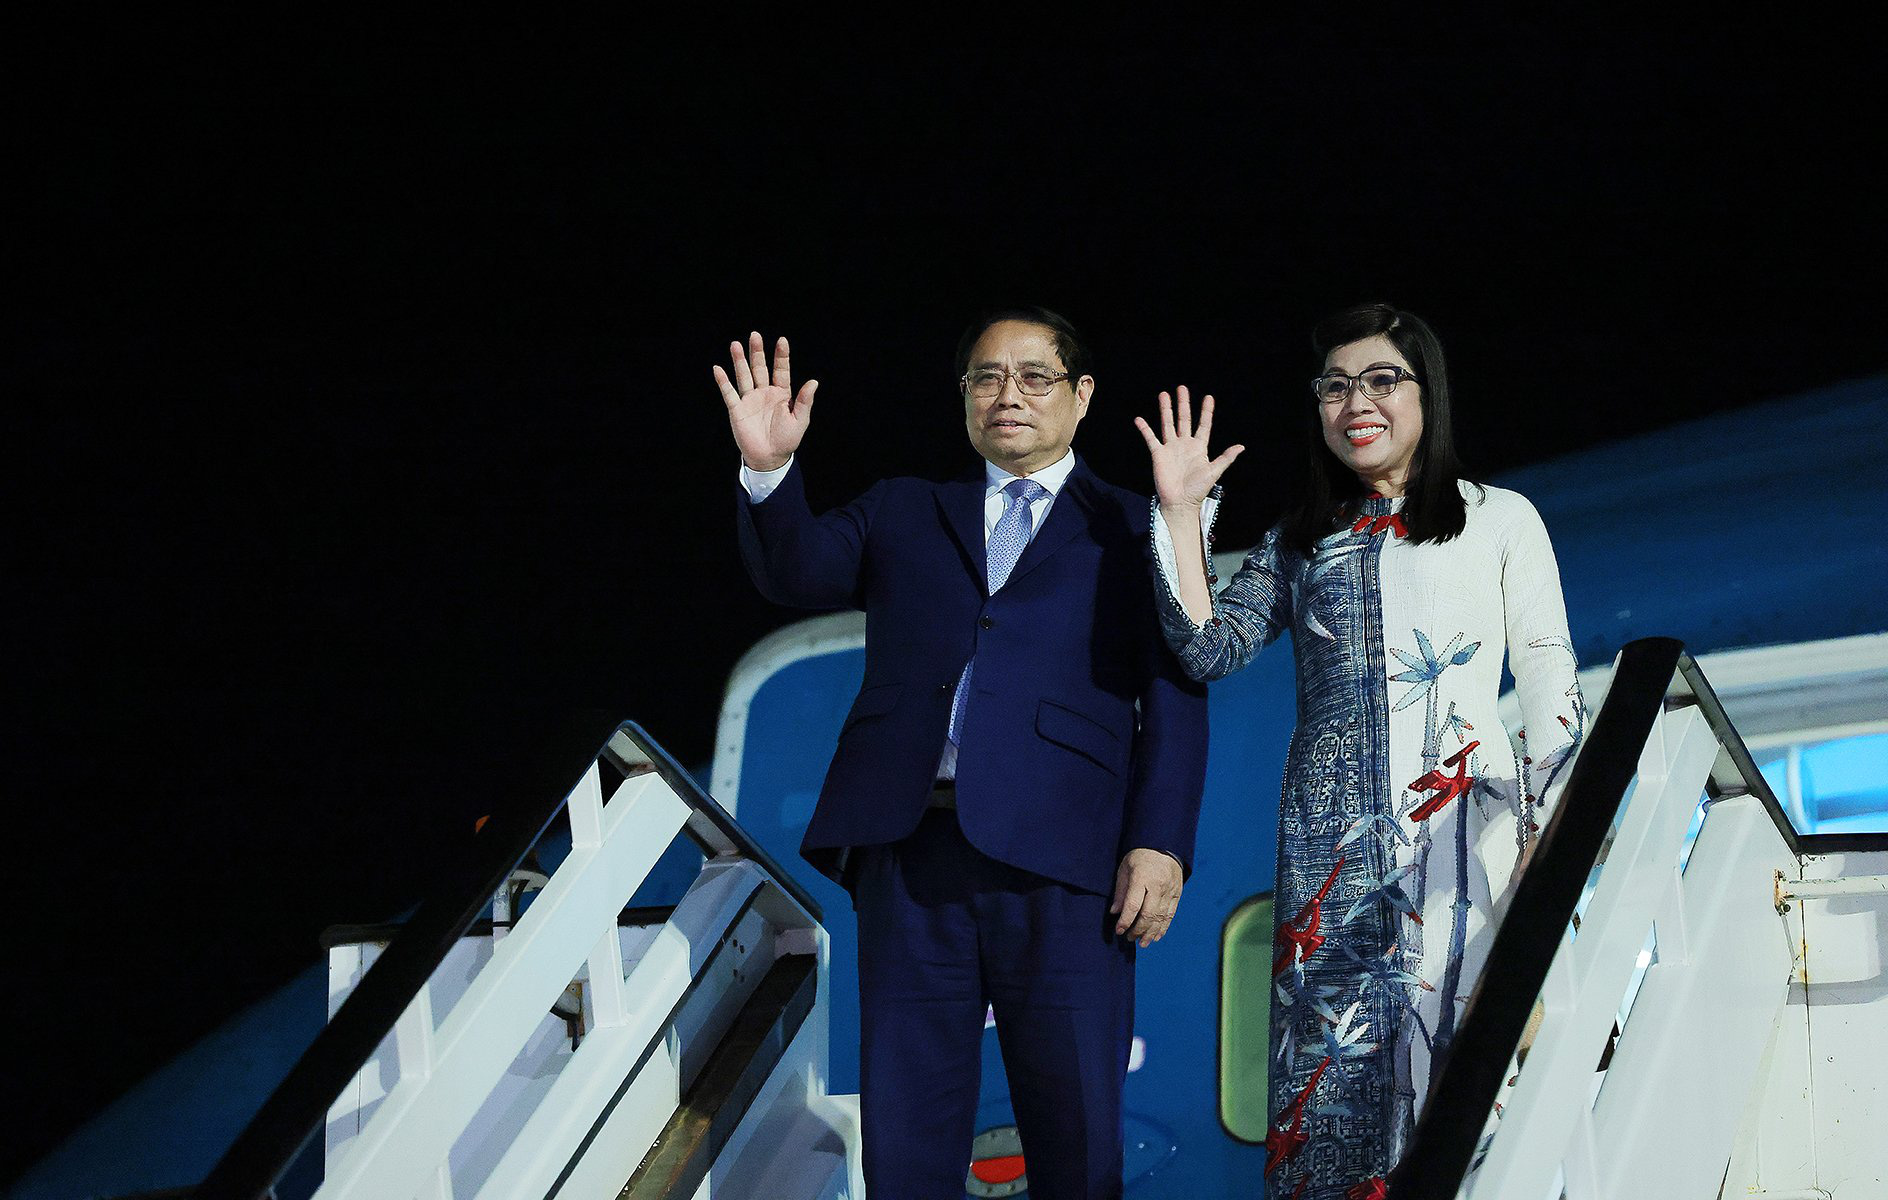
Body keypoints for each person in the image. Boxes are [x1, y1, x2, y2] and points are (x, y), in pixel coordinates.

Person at [720, 308, 1209, 1200]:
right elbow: (798, 572)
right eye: (986, 377)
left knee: (1077, 1134)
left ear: (1082, 395)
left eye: (1034, 376)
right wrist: (769, 470)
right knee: (907, 1135)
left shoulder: (1136, 525)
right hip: (911, 851)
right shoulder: (906, 507)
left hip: (1067, 863)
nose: (1007, 394)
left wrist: (1161, 842)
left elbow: (1177, 690)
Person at [1136, 303, 1584, 1198]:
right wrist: (1182, 516)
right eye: (1335, 387)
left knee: (1472, 1081)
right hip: (1329, 859)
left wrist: (1557, 829)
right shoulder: (1302, 539)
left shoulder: (1498, 518)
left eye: (1382, 380)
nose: (1357, 404)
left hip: (1466, 841)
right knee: (1331, 1090)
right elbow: (1208, 648)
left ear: (1428, 393)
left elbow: (1547, 677)